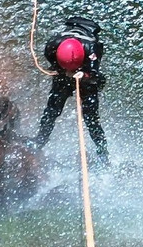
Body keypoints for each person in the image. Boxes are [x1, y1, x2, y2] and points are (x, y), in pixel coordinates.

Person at [32, 15, 109, 163]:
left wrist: (85, 75)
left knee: (91, 119)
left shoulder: (92, 48)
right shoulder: (52, 46)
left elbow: (97, 76)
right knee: (52, 110)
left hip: (85, 73)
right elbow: (51, 64)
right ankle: (39, 140)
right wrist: (62, 71)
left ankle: (103, 152)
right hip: (62, 72)